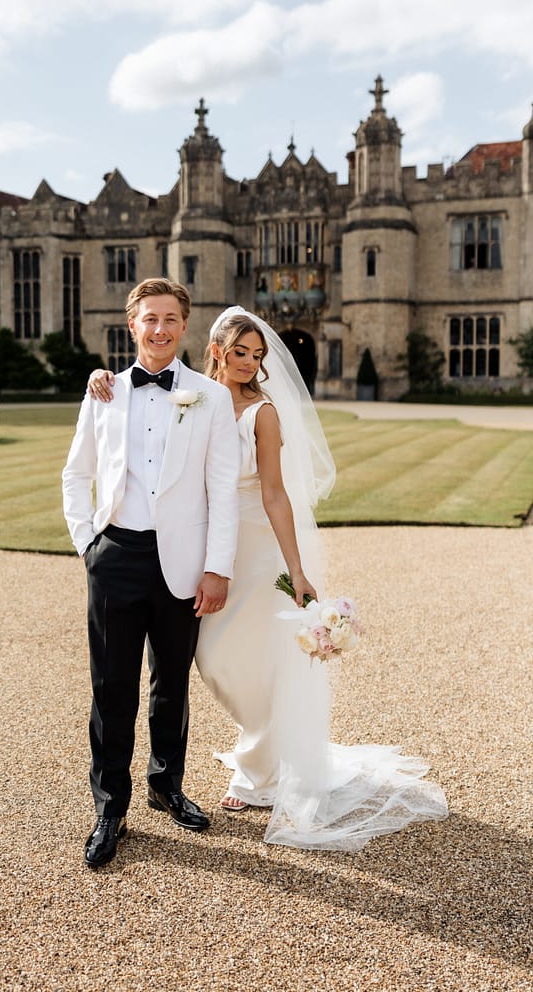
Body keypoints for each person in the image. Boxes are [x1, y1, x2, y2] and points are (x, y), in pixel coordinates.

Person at [88, 305, 448, 851]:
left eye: (257, 356)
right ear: (216, 350)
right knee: (208, 661)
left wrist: (297, 570)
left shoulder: (264, 412)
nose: (250, 363)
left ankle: (258, 769)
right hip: (198, 544)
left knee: (243, 663)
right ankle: (255, 751)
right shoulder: (195, 396)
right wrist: (100, 378)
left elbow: (277, 494)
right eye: (240, 353)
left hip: (254, 546)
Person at [62, 279, 240, 868]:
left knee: (171, 687)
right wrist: (88, 543)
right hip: (114, 558)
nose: (159, 329)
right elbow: (75, 474)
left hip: (184, 565)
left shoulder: (209, 397)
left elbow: (222, 491)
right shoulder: (104, 390)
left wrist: (217, 569)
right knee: (111, 690)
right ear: (131, 325)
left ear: (183, 326)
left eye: (169, 319)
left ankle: (166, 785)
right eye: (149, 319)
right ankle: (111, 805)